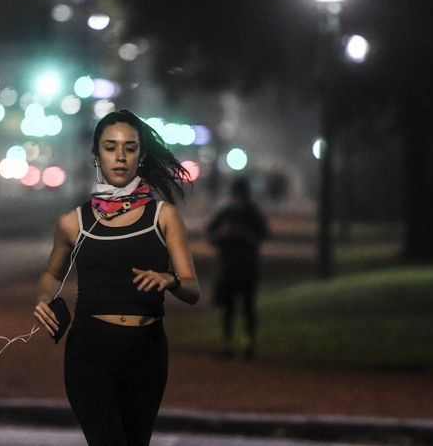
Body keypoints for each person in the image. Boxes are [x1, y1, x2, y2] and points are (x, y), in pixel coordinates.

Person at [33, 109, 200, 446]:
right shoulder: (73, 222)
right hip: (90, 351)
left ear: (141, 155)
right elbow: (52, 274)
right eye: (110, 147)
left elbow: (192, 289)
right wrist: (45, 300)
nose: (120, 156)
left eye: (130, 148)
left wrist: (169, 280)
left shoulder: (164, 217)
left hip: (146, 352)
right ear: (96, 155)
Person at [206, 176, 269, 359]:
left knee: (246, 309)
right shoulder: (227, 212)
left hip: (245, 268)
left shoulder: (251, 213)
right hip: (230, 268)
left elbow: (263, 235)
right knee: (230, 309)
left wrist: (244, 235)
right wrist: (222, 235)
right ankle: (230, 345)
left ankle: (247, 345)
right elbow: (211, 234)